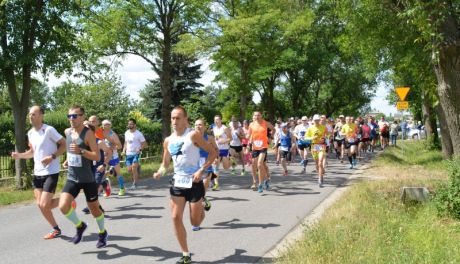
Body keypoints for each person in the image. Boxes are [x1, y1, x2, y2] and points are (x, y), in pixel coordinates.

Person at [153, 106, 217, 264]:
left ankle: (202, 203)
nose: (174, 121)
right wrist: (160, 171)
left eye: (178, 118)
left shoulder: (193, 135)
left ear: (186, 119)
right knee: (175, 217)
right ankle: (186, 254)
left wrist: (201, 169)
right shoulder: (168, 140)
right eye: (172, 118)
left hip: (194, 182)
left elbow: (213, 152)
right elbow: (165, 163)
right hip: (178, 182)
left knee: (195, 222)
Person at [11, 106, 66, 239]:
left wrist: (52, 157)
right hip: (38, 173)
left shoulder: (49, 130)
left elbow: (64, 144)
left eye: (34, 114)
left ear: (41, 115)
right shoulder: (30, 133)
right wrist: (19, 155)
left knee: (44, 204)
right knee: (40, 205)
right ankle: (56, 229)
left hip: (51, 171)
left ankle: (66, 200)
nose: (31, 116)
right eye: (30, 114)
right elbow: (32, 153)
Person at [59, 105, 108, 248]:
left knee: (94, 209)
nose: (71, 119)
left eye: (75, 116)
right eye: (69, 116)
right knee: (63, 206)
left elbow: (97, 155)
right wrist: (68, 159)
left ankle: (102, 232)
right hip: (72, 177)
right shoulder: (67, 132)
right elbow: (69, 149)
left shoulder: (88, 134)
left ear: (82, 117)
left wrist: (81, 151)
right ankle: (80, 226)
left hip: (87, 179)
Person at [248, 111, 275, 193]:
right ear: (253, 116)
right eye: (255, 115)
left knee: (260, 164)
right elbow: (250, 135)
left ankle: (260, 184)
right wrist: (248, 146)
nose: (257, 116)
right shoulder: (251, 124)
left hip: (263, 146)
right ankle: (263, 179)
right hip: (255, 147)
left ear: (261, 116)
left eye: (258, 115)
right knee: (254, 164)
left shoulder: (266, 123)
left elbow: (273, 129)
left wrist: (270, 138)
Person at [101, 119, 126, 196]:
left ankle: (122, 188)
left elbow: (120, 146)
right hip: (104, 157)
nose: (106, 125)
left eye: (108, 124)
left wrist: (112, 148)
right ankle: (107, 190)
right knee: (103, 174)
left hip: (113, 157)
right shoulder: (100, 133)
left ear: (110, 125)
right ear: (102, 125)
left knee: (118, 173)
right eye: (105, 124)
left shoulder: (113, 134)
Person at [123, 118, 148, 189]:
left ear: (135, 125)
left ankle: (135, 183)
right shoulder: (126, 133)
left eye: (131, 124)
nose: (129, 125)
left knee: (133, 168)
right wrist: (123, 150)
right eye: (129, 124)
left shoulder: (139, 134)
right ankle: (138, 167)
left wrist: (140, 149)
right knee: (129, 170)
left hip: (136, 153)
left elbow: (145, 144)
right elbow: (125, 143)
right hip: (128, 153)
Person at [306, 114, 327, 187]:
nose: (317, 121)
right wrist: (312, 137)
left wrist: (324, 139)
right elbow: (306, 138)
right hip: (314, 146)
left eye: (318, 120)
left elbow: (327, 135)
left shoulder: (323, 127)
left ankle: (320, 178)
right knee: (317, 163)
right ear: (313, 121)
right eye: (315, 120)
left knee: (320, 162)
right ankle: (320, 174)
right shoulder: (310, 128)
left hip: (321, 146)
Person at [212, 115, 232, 190]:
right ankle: (216, 183)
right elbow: (215, 138)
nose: (216, 121)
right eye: (215, 120)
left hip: (225, 150)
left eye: (217, 120)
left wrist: (224, 141)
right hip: (217, 150)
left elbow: (230, 138)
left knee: (226, 167)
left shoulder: (225, 128)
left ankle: (231, 160)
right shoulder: (214, 128)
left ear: (220, 120)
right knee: (215, 166)